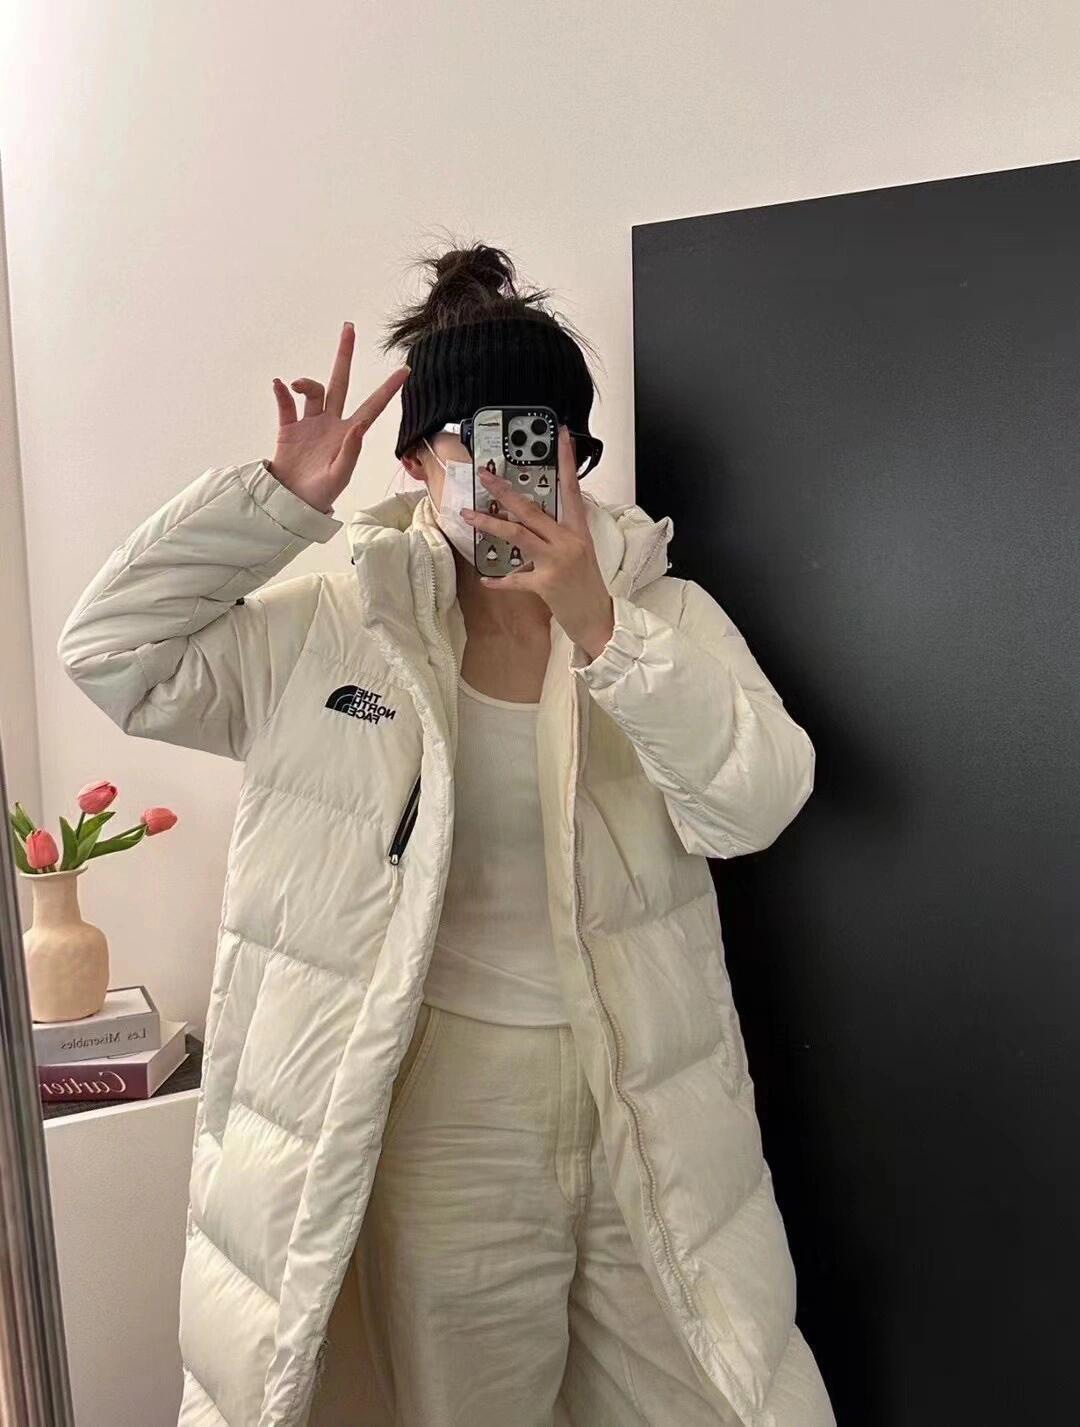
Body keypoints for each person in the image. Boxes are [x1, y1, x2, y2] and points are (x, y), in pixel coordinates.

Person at [57, 242, 835, 1427]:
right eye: (470, 442)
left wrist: (600, 624)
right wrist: (277, 502)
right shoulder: (332, 625)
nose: (503, 473)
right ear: (419, 457)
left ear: (575, 452)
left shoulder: (661, 614)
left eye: (535, 438)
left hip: (644, 1093)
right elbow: (111, 653)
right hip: (449, 1110)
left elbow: (757, 801)